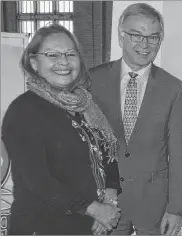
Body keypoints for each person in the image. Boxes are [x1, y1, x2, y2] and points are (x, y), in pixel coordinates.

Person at [1, 24, 122, 235]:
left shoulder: (86, 105)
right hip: (43, 227)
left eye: (70, 54)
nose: (64, 62)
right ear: (33, 62)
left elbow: (108, 157)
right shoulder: (23, 110)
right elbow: (36, 181)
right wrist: (95, 209)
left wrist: (108, 203)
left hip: (87, 226)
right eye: (52, 55)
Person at [89, 3, 182, 235]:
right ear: (121, 36)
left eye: (153, 38)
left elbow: (179, 154)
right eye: (136, 35)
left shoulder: (173, 88)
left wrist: (176, 209)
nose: (145, 45)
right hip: (105, 202)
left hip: (155, 206)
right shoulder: (94, 80)